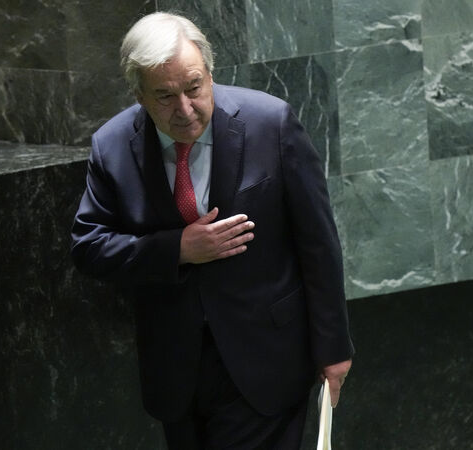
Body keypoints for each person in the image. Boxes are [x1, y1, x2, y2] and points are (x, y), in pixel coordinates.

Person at [70, 11, 354, 449]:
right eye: (165, 96)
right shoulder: (112, 146)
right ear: (139, 94)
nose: (185, 109)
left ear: (210, 73)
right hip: (176, 371)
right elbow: (89, 246)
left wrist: (333, 347)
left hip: (267, 360)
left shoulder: (270, 124)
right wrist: (178, 249)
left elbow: (317, 242)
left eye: (194, 87)